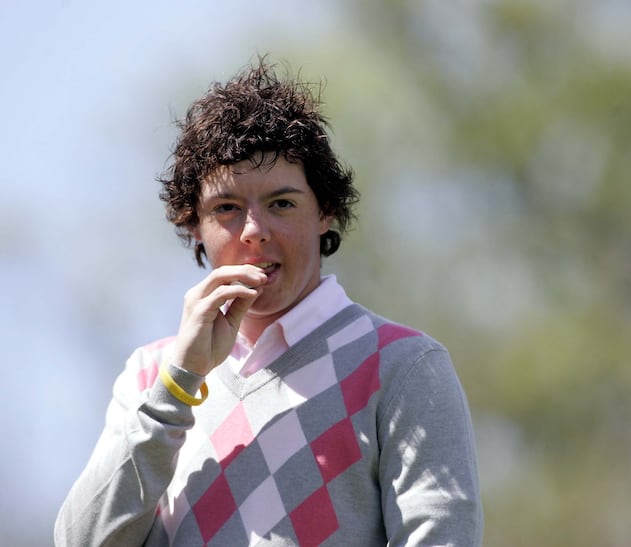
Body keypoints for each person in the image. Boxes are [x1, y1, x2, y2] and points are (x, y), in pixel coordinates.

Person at [54, 56, 483, 546]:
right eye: (227, 209)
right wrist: (178, 385)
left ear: (325, 212)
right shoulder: (153, 376)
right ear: (195, 224)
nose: (254, 231)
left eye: (281, 203)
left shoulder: (403, 366)